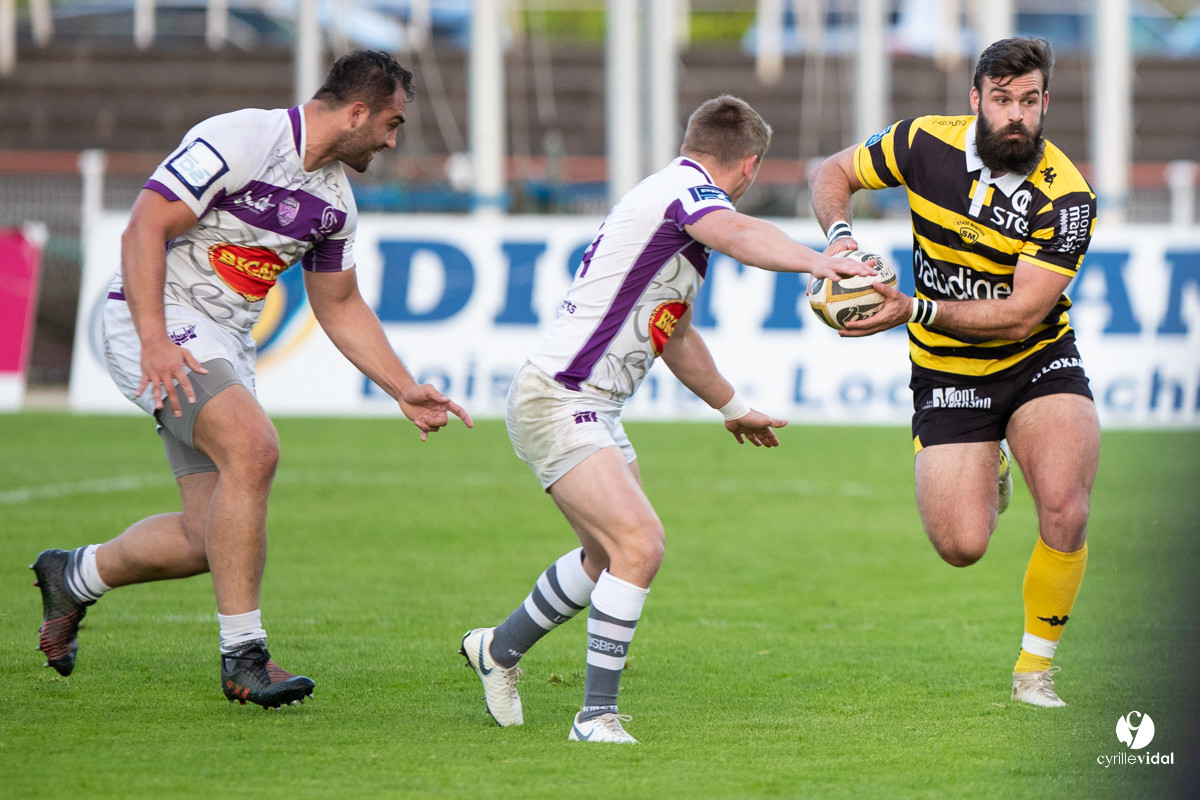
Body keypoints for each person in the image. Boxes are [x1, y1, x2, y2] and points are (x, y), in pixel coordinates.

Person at [31, 49, 472, 709]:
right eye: (391, 123)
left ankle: (74, 575)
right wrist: (153, 338)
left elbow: (339, 305)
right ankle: (244, 657)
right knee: (254, 446)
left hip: (224, 342)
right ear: (357, 112)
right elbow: (146, 225)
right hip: (155, 317)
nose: (391, 140)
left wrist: (401, 386)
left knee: (206, 537)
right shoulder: (241, 138)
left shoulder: (336, 207)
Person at [459, 95, 877, 743]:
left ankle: (498, 648)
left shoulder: (670, 207)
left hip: (588, 403)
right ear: (750, 166)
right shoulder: (686, 191)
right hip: (562, 396)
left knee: (605, 555)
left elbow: (675, 337)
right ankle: (595, 717)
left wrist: (733, 407)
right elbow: (740, 234)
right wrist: (818, 260)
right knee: (640, 545)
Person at [808, 37, 1099, 707]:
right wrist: (841, 240)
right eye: (1002, 100)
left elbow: (1023, 315)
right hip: (946, 370)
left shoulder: (1068, 198)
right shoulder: (921, 143)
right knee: (961, 545)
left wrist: (913, 308)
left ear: (1045, 104)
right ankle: (991, 460)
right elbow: (833, 172)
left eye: (1029, 101)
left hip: (1036, 359)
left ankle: (1034, 668)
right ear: (976, 100)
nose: (1016, 115)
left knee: (1065, 505)